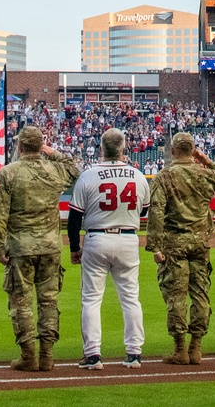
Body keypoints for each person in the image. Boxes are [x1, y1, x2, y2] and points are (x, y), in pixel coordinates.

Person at [0, 127, 79, 373]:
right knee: (49, 301)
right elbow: (74, 170)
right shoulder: (54, 170)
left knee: (21, 302)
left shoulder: (9, 173)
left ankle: (28, 355)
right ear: (41, 146)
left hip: (21, 246)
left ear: (19, 146)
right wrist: (54, 153)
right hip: (50, 246)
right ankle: (47, 355)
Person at [146, 131, 215, 364]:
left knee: (176, 296)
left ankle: (180, 348)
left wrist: (154, 246)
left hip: (174, 243)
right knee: (200, 293)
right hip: (200, 242)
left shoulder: (163, 177)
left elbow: (155, 213)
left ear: (173, 151)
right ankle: (196, 346)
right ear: (193, 150)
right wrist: (207, 161)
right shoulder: (205, 174)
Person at [69, 129, 150, 370]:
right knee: (130, 298)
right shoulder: (138, 175)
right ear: (124, 148)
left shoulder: (88, 175)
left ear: (101, 148)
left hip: (97, 238)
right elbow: (144, 211)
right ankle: (134, 353)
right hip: (127, 238)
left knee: (92, 299)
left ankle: (93, 354)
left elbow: (74, 218)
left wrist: (75, 247)